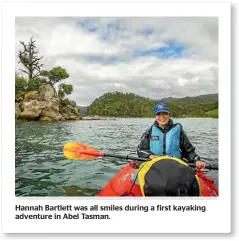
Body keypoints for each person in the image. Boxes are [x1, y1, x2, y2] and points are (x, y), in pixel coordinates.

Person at [137, 103, 206, 170]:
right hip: (155, 166)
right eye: (158, 114)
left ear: (169, 115)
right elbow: (141, 150)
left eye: (165, 113)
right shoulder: (149, 132)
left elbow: (189, 151)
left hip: (175, 166)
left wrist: (196, 160)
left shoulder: (178, 130)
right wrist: (150, 156)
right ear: (155, 116)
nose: (162, 116)